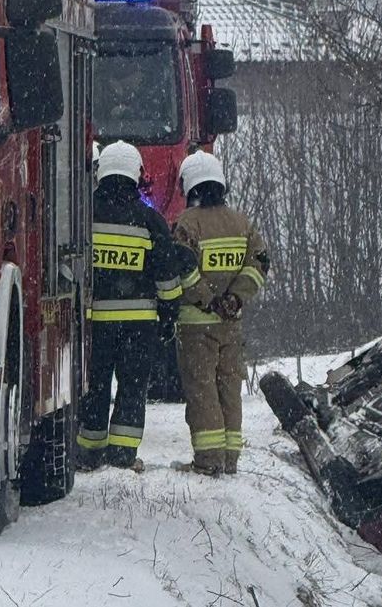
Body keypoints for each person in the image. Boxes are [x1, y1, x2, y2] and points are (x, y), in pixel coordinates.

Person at [77, 141, 188, 473]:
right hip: (139, 326)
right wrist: (169, 317)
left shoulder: (83, 217)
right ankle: (123, 455)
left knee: (94, 385)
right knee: (132, 388)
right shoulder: (150, 220)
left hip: (94, 322)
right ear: (136, 175)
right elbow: (167, 277)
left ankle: (89, 451)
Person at [172, 151, 269, 476]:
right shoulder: (241, 222)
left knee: (202, 390)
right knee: (229, 387)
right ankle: (230, 458)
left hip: (196, 325)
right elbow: (259, 264)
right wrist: (235, 299)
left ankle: (208, 460)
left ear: (190, 184)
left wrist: (207, 299)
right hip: (232, 325)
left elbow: (183, 267)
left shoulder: (189, 222)